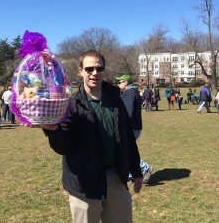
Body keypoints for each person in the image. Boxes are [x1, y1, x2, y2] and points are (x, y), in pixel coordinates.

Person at [41, 50, 143, 223]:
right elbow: (64, 147)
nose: (94, 73)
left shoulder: (116, 98)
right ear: (80, 71)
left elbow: (127, 138)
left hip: (115, 177)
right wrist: (52, 130)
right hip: (84, 184)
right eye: (89, 69)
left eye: (99, 68)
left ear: (104, 70)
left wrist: (136, 170)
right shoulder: (70, 103)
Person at [116, 74, 152, 183]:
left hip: (130, 128)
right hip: (134, 127)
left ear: (126, 82)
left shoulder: (130, 92)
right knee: (124, 150)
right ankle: (130, 175)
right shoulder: (132, 92)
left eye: (120, 82)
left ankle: (145, 168)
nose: (118, 84)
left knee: (125, 150)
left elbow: (128, 112)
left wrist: (122, 126)